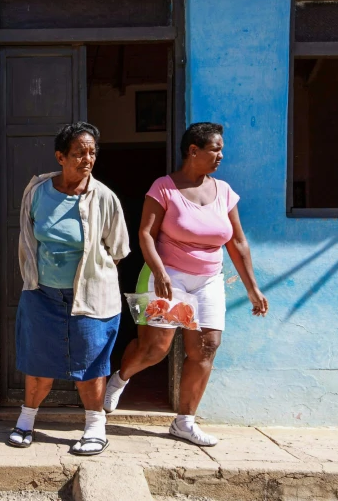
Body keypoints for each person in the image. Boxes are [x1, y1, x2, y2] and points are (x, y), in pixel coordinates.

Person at [103, 122, 268, 446]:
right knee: (156, 349)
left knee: (206, 346)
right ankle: (120, 378)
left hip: (209, 280)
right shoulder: (164, 188)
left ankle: (184, 421)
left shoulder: (224, 192)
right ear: (193, 150)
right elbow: (146, 234)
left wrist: (252, 288)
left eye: (221, 149)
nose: (221, 155)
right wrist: (161, 272)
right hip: (168, 276)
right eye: (215, 149)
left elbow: (238, 242)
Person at [8, 122, 130, 456]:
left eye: (92, 152)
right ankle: (26, 420)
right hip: (42, 292)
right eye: (79, 153)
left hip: (90, 297)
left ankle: (95, 427)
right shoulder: (37, 192)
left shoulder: (104, 198)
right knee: (37, 361)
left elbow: (117, 251)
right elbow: (29, 238)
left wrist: (91, 280)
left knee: (90, 362)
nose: (87, 158)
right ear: (61, 156)